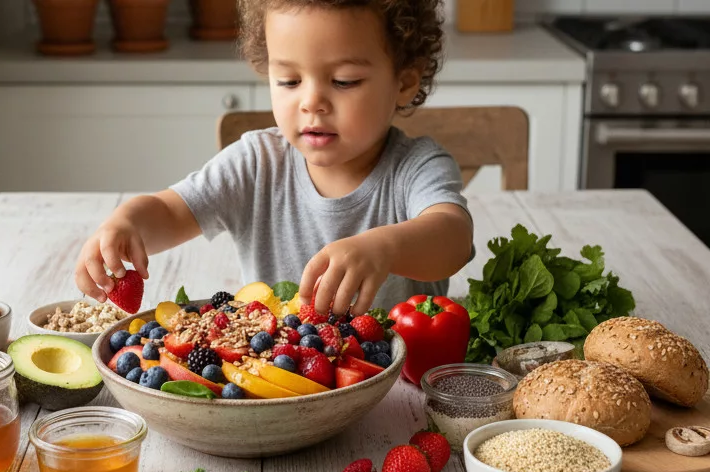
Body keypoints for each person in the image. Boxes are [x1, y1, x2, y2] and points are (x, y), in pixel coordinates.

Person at [75, 0, 473, 316]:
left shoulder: (417, 166)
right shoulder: (256, 163)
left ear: (403, 82)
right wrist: (127, 223)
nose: (311, 101)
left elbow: (452, 236)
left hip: (394, 386)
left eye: (343, 81)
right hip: (278, 380)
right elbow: (171, 210)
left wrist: (384, 247)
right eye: (289, 81)